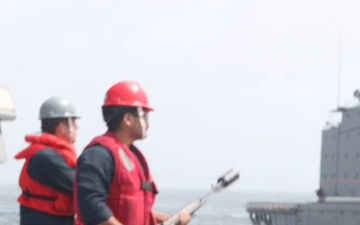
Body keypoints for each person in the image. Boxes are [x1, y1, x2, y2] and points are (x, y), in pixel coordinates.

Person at [74, 80, 191, 225]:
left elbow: (134, 209)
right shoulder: (98, 155)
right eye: (144, 116)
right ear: (128, 119)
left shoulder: (131, 155)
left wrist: (170, 219)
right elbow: (92, 207)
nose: (148, 123)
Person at [15, 96, 80, 225]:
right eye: (73, 122)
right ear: (62, 127)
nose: (77, 127)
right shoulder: (45, 157)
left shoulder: (52, 154)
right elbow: (79, 185)